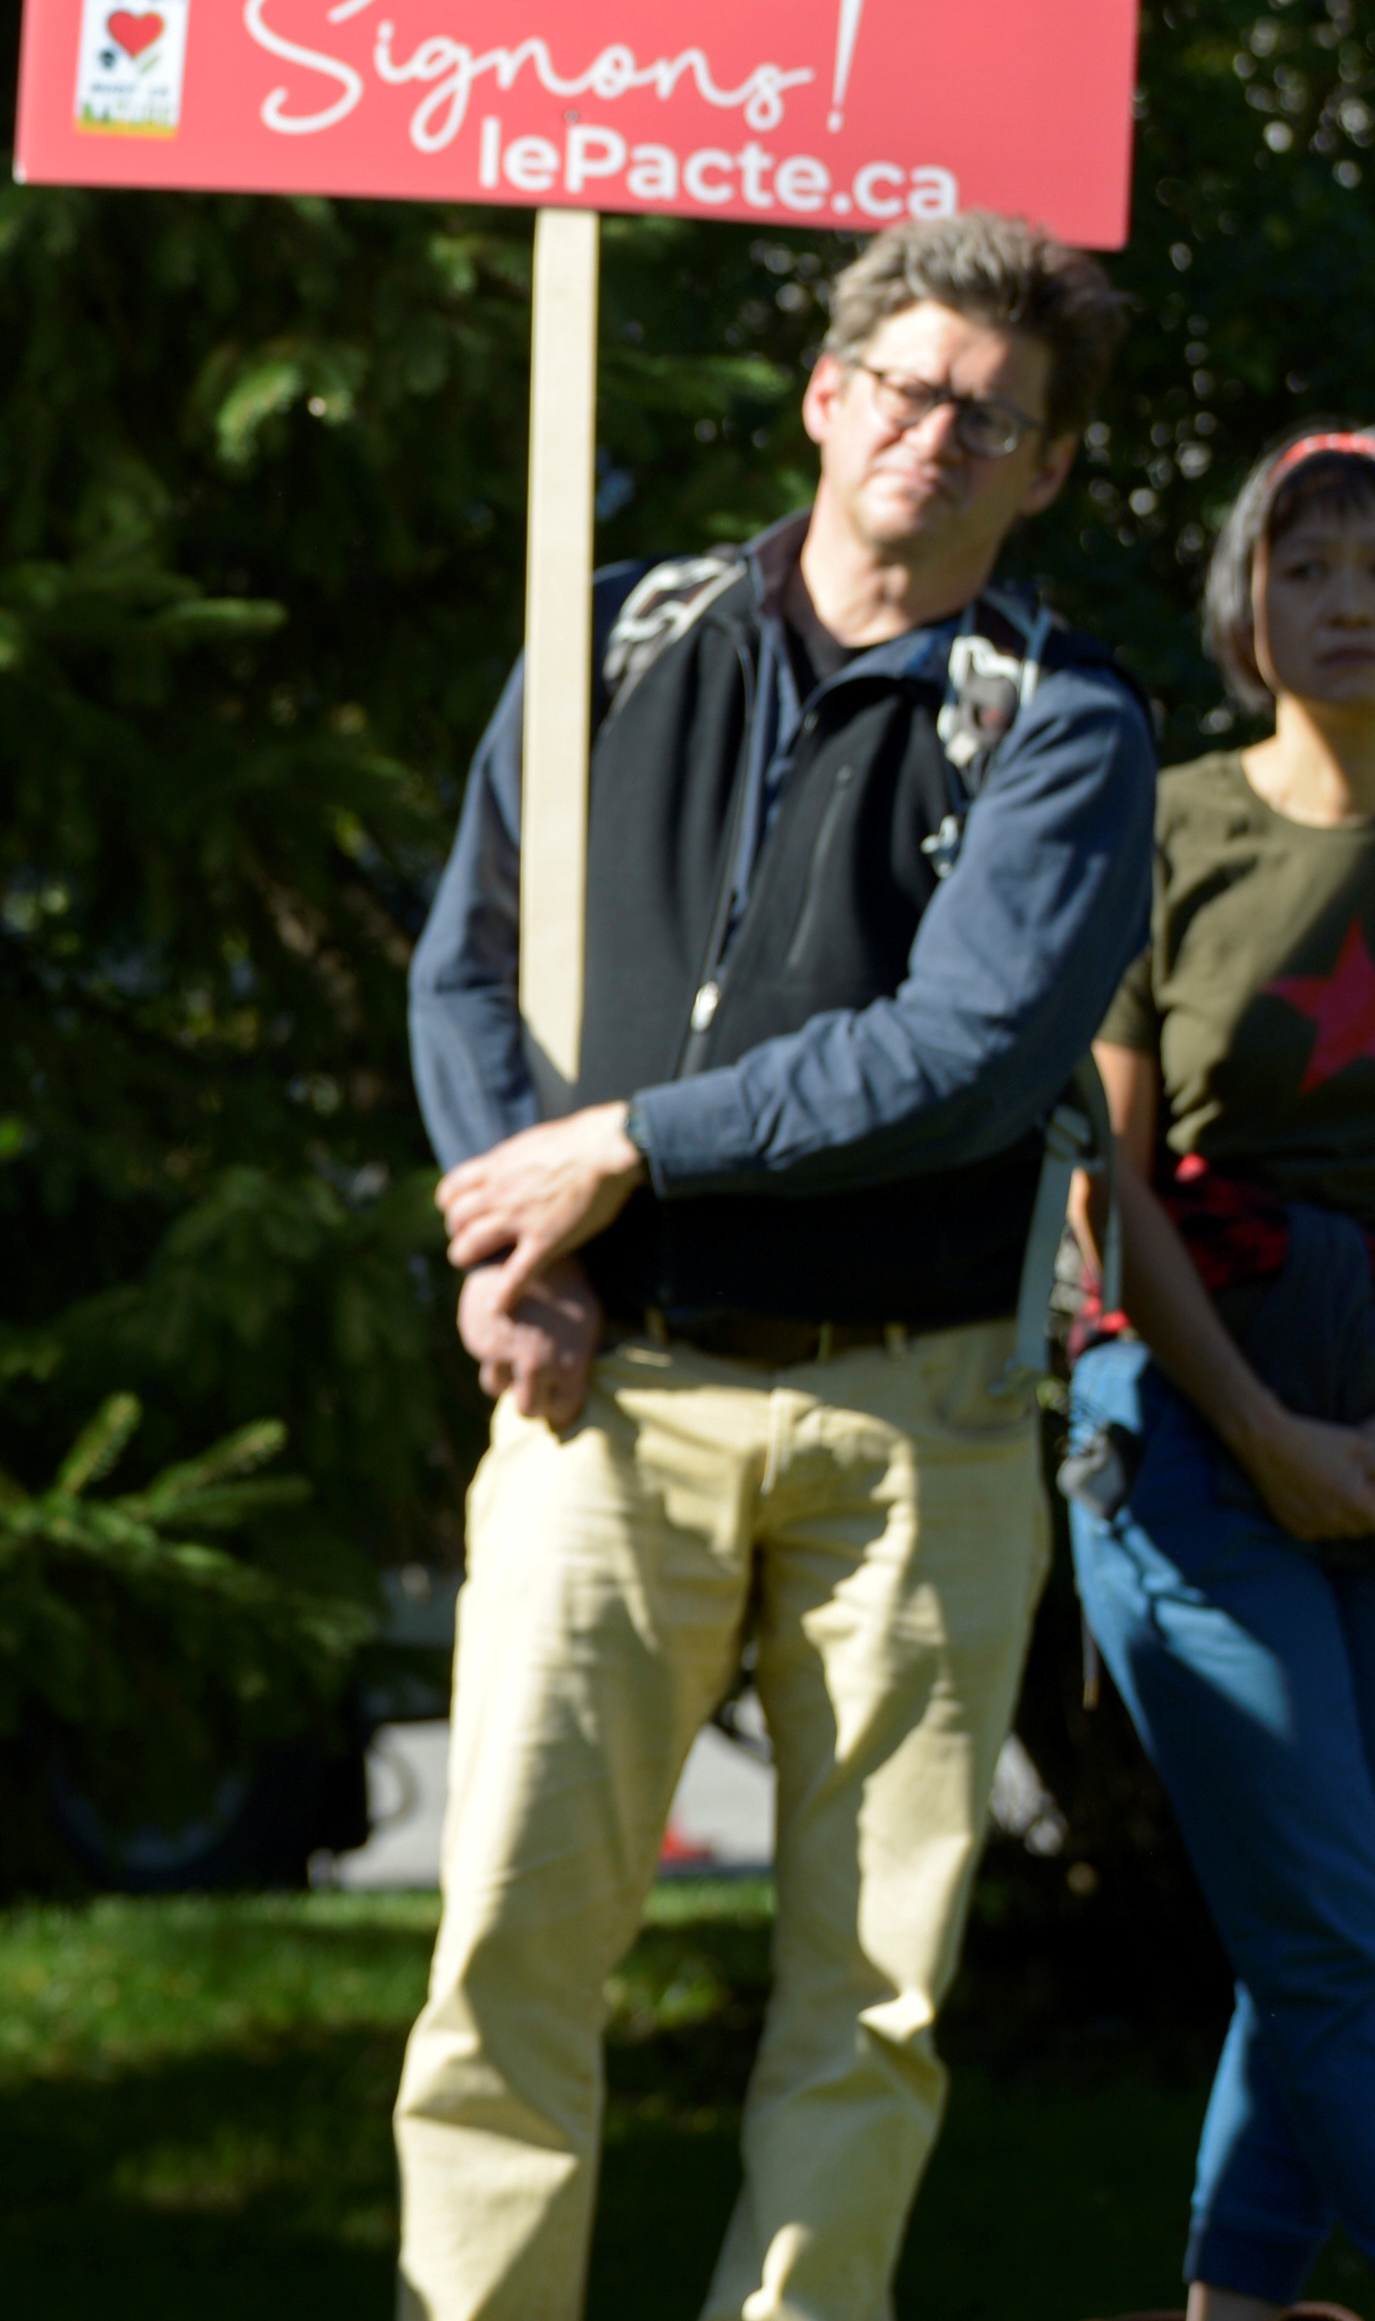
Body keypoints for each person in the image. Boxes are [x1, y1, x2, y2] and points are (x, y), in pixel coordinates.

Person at [397, 209, 1156, 2321]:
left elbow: (972, 1054)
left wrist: (624, 1144)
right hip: (600, 1388)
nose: (937, 432)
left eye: (994, 416)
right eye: (905, 387)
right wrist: (505, 1228)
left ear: (1047, 467)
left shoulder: (1069, 719)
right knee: (503, 1962)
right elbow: (468, 964)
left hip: (920, 1411)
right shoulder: (612, 636)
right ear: (826, 397)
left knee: (870, 2000)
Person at [1066, 424, 1375, 2321]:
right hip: (1192, 1428)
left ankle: (1235, 2303)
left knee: (1325, 1943)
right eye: (1310, 564)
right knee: (1336, 1936)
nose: (1350, 603)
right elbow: (1104, 1171)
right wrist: (1266, 1432)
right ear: (1247, 609)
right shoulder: (1163, 826)